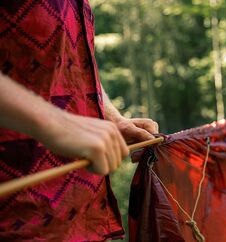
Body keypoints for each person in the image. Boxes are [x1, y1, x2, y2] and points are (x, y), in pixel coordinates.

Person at [0, 1, 158, 240]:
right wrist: (56, 123)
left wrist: (110, 116)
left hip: (79, 214)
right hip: (16, 216)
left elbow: (70, 58)